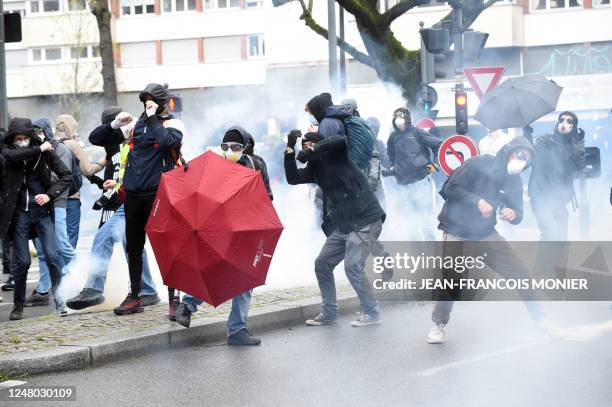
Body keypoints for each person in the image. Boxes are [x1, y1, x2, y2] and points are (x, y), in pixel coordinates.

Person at [427, 136, 548, 344]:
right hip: (457, 231)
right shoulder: (478, 163)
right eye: (520, 155)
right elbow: (448, 189)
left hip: (486, 234)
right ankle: (438, 325)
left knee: (520, 273)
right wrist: (477, 201)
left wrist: (513, 214)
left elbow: (518, 212)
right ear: (508, 151)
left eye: (527, 159)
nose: (522, 161)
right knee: (452, 281)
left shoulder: (514, 180)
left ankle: (542, 321)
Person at [173, 126, 273, 346]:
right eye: (225, 147)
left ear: (245, 147)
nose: (230, 150)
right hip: (222, 228)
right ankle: (193, 309)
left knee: (242, 278)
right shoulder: (216, 166)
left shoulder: (256, 164)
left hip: (248, 228)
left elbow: (267, 197)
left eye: (235, 147)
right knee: (220, 270)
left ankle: (226, 324)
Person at [284, 131, 386, 327]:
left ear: (319, 145)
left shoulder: (337, 155)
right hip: (345, 225)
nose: (307, 149)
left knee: (352, 267)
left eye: (310, 145)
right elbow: (292, 177)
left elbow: (340, 140)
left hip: (367, 220)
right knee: (322, 264)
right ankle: (329, 313)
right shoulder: (314, 168)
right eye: (304, 146)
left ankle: (372, 313)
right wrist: (290, 150)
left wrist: (314, 147)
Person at [66, 107, 160, 311]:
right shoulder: (114, 137)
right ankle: (147, 290)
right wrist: (114, 125)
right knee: (128, 243)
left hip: (135, 200)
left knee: (108, 237)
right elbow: (95, 137)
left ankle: (95, 289)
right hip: (126, 199)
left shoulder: (143, 135)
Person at [114, 83, 183, 316]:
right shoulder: (136, 124)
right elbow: (98, 138)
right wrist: (115, 124)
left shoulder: (173, 123)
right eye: (145, 99)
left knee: (167, 247)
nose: (147, 102)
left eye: (152, 99)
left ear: (162, 102)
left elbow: (166, 141)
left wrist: (153, 117)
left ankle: (174, 301)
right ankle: (135, 296)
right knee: (133, 247)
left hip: (159, 195)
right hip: (133, 194)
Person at [0, 118, 72, 320]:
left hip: (41, 213)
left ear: (30, 137)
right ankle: (18, 306)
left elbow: (67, 175)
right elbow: (11, 155)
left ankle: (60, 301)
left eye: (24, 138)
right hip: (18, 216)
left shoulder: (45, 154)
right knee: (21, 263)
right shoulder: (9, 154)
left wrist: (50, 194)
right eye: (17, 138)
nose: (21, 141)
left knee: (53, 257)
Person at [528, 111, 586, 241]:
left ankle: (557, 262)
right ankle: (543, 262)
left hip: (558, 199)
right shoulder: (545, 141)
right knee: (550, 234)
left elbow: (579, 165)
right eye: (561, 120)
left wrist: (578, 143)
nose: (564, 123)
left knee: (561, 238)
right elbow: (531, 156)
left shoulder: (573, 146)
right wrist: (527, 135)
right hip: (540, 195)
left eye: (569, 121)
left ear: (574, 127)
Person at [386, 107, 442, 241]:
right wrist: (393, 166)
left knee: (425, 221)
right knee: (409, 222)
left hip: (421, 182)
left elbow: (438, 145)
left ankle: (433, 253)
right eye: (396, 116)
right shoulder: (393, 137)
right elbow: (390, 154)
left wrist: (435, 163)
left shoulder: (417, 132)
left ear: (407, 118)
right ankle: (417, 253)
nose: (398, 119)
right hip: (403, 184)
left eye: (401, 116)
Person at [54, 114, 106, 248]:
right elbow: (87, 170)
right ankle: (67, 267)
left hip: (51, 198)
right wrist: (101, 163)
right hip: (71, 197)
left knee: (57, 236)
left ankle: (56, 268)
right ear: (69, 127)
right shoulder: (72, 145)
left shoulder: (49, 143)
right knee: (70, 236)